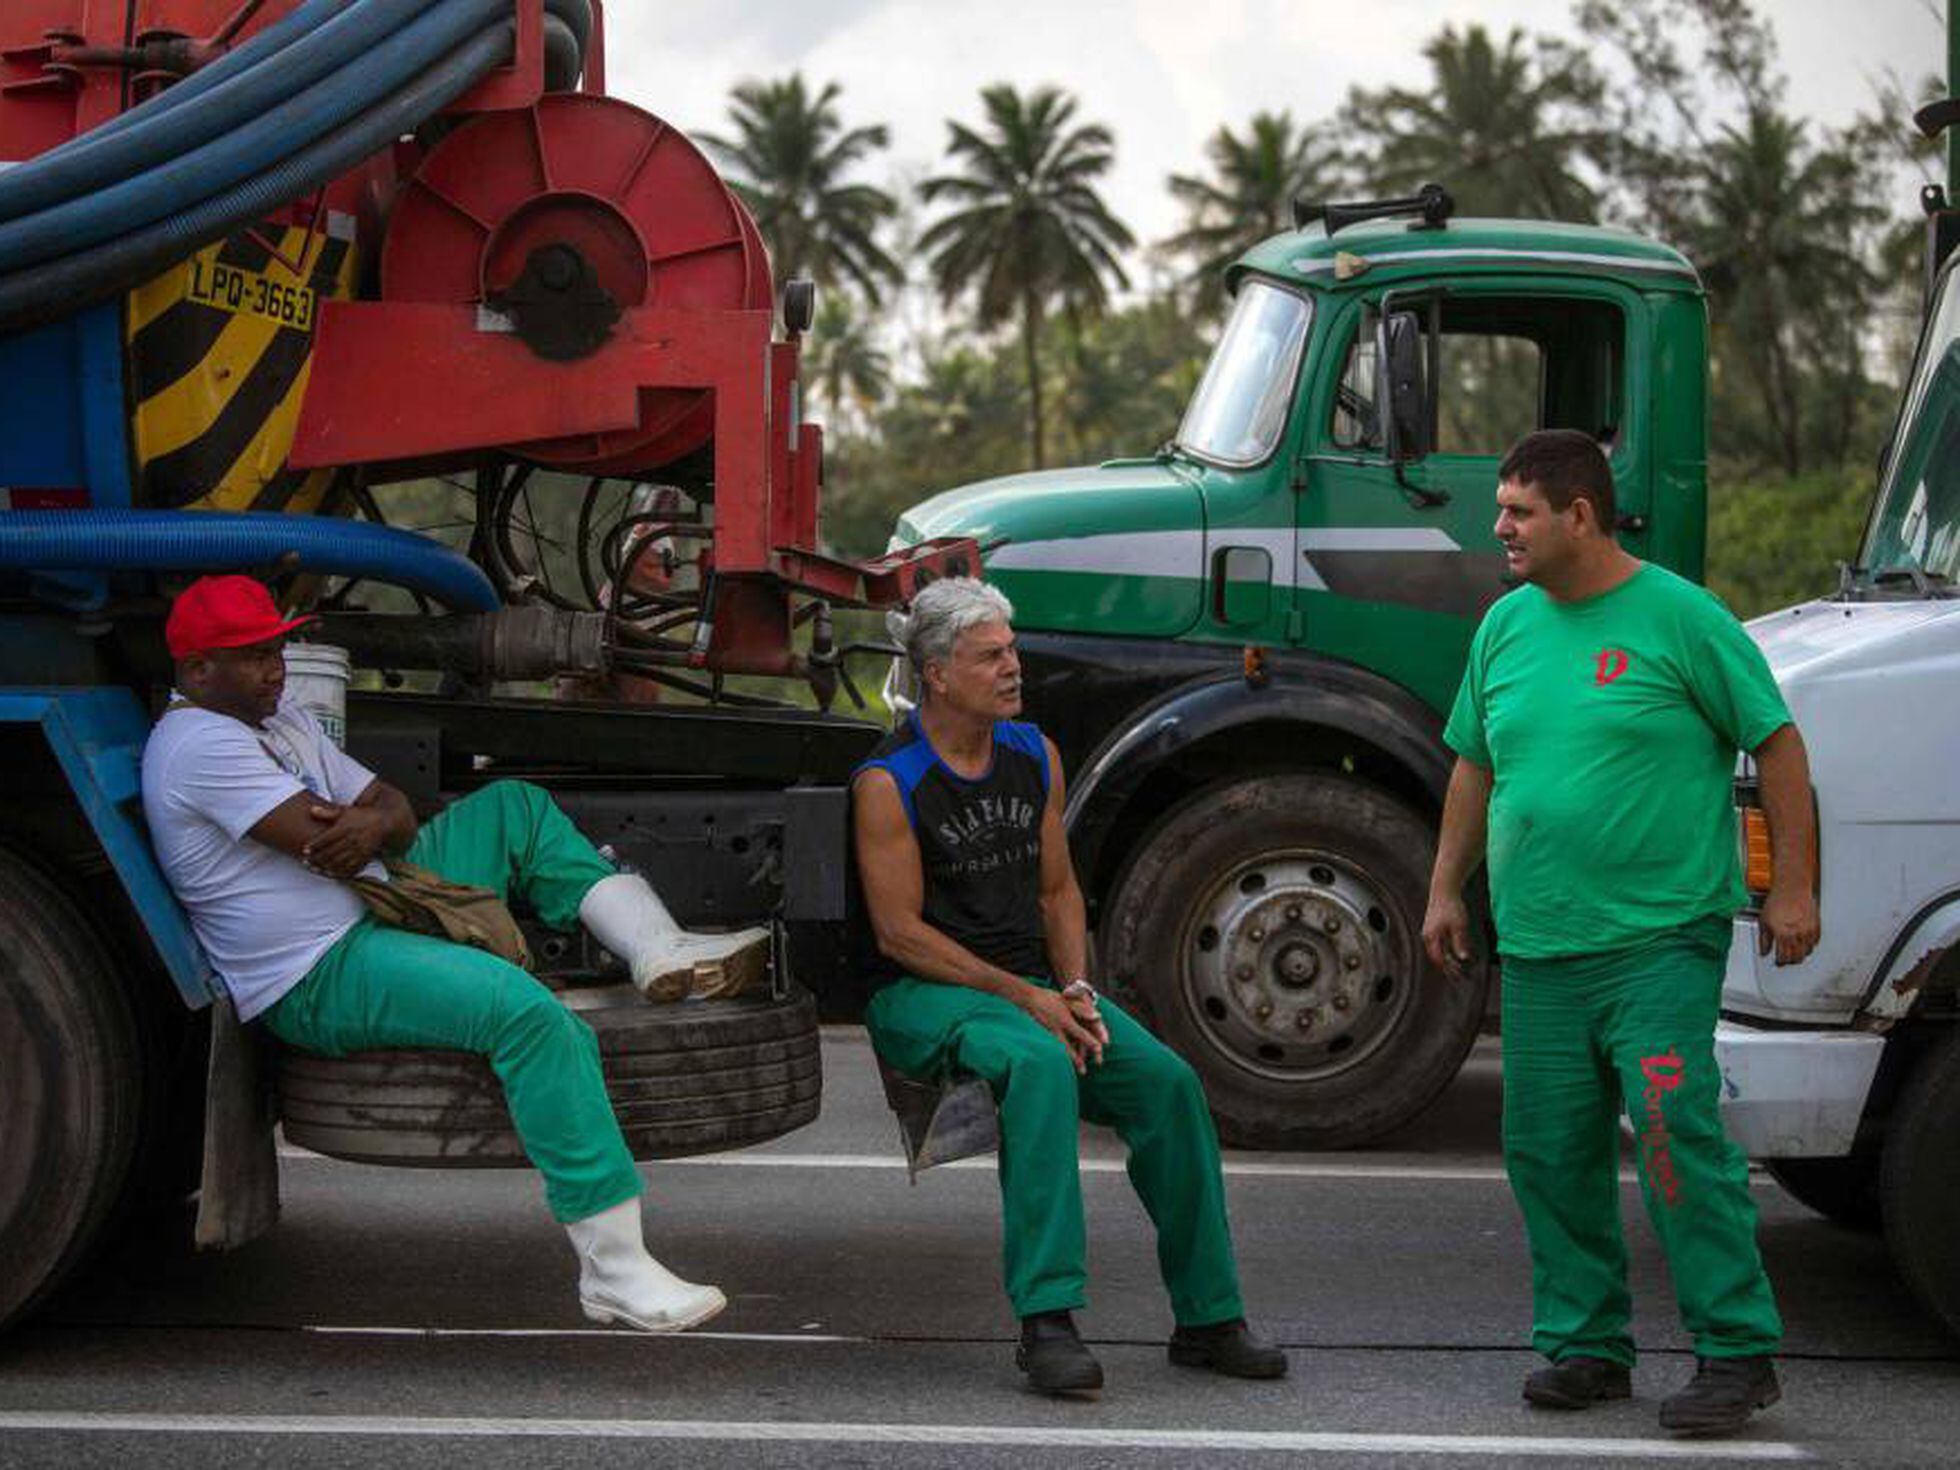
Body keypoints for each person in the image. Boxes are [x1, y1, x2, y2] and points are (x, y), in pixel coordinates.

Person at [141, 574, 770, 1333]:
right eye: (252, 656)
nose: (276, 666)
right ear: (197, 670)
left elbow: (392, 813)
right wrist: (371, 825)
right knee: (533, 1020)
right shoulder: (195, 742)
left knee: (515, 808)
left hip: (383, 897)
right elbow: (322, 838)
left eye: (277, 646)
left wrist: (372, 825)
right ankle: (615, 1271)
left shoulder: (281, 721)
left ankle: (658, 948)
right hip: (320, 968)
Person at [1422, 430, 1820, 1436]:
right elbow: (1475, 765)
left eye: (1517, 511)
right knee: (1547, 1153)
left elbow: (1775, 743)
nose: (1498, 527)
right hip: (1542, 944)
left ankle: (1735, 1352)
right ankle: (1585, 1346)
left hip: (1657, 939)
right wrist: (1443, 892)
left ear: (1580, 517)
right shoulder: (1506, 627)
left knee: (1675, 1138)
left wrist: (1793, 889)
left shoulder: (1680, 618)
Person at [853, 577, 1286, 1396]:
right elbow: (899, 935)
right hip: (922, 992)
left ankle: (1208, 1316)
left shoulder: (1033, 754)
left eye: (1012, 650)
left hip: (1028, 988)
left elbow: (1058, 892)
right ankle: (1047, 1322)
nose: (1013, 666)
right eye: (992, 655)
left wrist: (1077, 987)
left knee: (1167, 1084)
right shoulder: (890, 782)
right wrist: (1030, 1001)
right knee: (1041, 1064)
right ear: (938, 674)